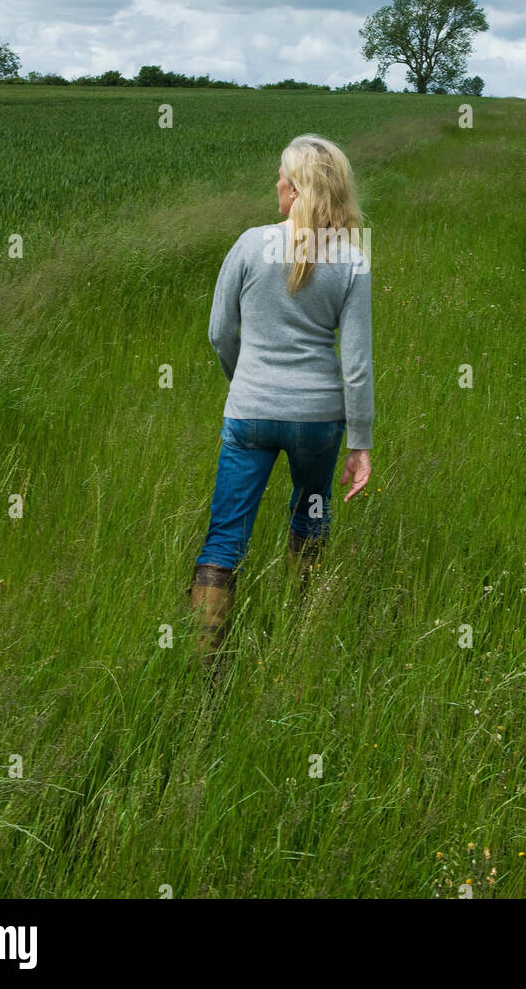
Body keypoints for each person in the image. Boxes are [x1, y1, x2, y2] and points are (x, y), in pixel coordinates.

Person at [189, 133, 373, 672]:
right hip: (318, 422)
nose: (276, 184)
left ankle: (208, 676)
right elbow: (356, 364)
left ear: (295, 190)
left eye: (281, 178)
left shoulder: (249, 243)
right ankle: (300, 633)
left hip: (248, 415)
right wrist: (359, 443)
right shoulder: (352, 260)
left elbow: (220, 332)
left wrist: (243, 382)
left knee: (226, 535)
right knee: (312, 509)